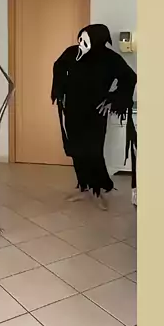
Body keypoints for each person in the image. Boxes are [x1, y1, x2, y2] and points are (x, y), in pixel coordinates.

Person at [51, 23, 137, 210]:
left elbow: (130, 77)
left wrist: (112, 99)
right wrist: (60, 90)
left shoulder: (110, 59)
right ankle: (84, 188)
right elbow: (58, 66)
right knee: (76, 149)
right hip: (73, 110)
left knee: (93, 151)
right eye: (80, 38)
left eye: (86, 39)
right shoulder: (72, 52)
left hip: (96, 112)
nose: (81, 42)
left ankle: (98, 190)